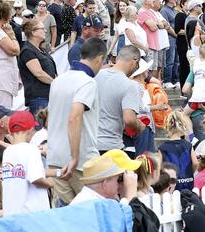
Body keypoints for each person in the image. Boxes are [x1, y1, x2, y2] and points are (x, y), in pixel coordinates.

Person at [46, 38, 107, 204]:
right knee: (90, 214)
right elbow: (74, 116)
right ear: (100, 59)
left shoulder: (58, 81)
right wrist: (74, 157)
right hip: (81, 161)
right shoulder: (88, 82)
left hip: (56, 158)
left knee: (63, 218)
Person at [1, 110, 56, 215]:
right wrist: (52, 184)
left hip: (11, 213)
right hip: (32, 215)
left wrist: (59, 172)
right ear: (30, 130)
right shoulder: (31, 149)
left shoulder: (7, 152)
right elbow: (36, 178)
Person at [96, 45, 144, 154]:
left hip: (89, 144)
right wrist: (140, 126)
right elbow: (129, 119)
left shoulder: (96, 76)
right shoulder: (130, 85)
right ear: (134, 62)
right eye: (138, 65)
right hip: (111, 145)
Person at [71, 149, 140, 205]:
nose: (124, 184)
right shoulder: (91, 205)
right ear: (105, 184)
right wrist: (131, 197)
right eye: (120, 179)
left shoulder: (92, 197)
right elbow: (128, 219)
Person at [18, 19, 58, 116]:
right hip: (39, 98)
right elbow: (39, 73)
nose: (45, 31)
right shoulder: (27, 51)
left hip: (48, 95)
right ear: (33, 32)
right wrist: (56, 83)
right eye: (42, 28)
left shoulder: (41, 49)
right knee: (41, 130)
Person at [158, 110, 197, 191]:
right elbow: (195, 163)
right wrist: (190, 173)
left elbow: (159, 167)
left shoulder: (162, 147)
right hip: (188, 182)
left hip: (171, 184)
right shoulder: (188, 145)